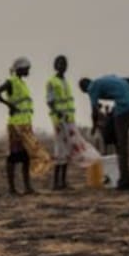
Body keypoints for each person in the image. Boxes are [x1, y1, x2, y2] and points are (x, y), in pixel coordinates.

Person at [0, 57, 51, 195]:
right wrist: (9, 104)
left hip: (25, 123)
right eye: (27, 68)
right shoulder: (11, 82)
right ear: (20, 68)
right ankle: (12, 188)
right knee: (13, 156)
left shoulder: (22, 83)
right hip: (16, 125)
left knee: (26, 156)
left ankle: (27, 187)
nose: (28, 71)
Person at [79, 75, 129, 190]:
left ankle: (125, 180)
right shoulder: (103, 80)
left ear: (84, 88)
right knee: (120, 142)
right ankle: (126, 177)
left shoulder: (92, 88)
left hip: (124, 106)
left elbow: (94, 112)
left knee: (121, 144)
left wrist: (93, 126)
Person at [46, 55, 82, 190]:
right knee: (59, 150)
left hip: (69, 121)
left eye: (65, 63)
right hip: (59, 121)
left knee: (67, 151)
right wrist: (59, 114)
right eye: (60, 63)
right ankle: (56, 183)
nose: (63, 66)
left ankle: (63, 182)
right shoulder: (52, 82)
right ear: (55, 66)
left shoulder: (65, 82)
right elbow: (50, 102)